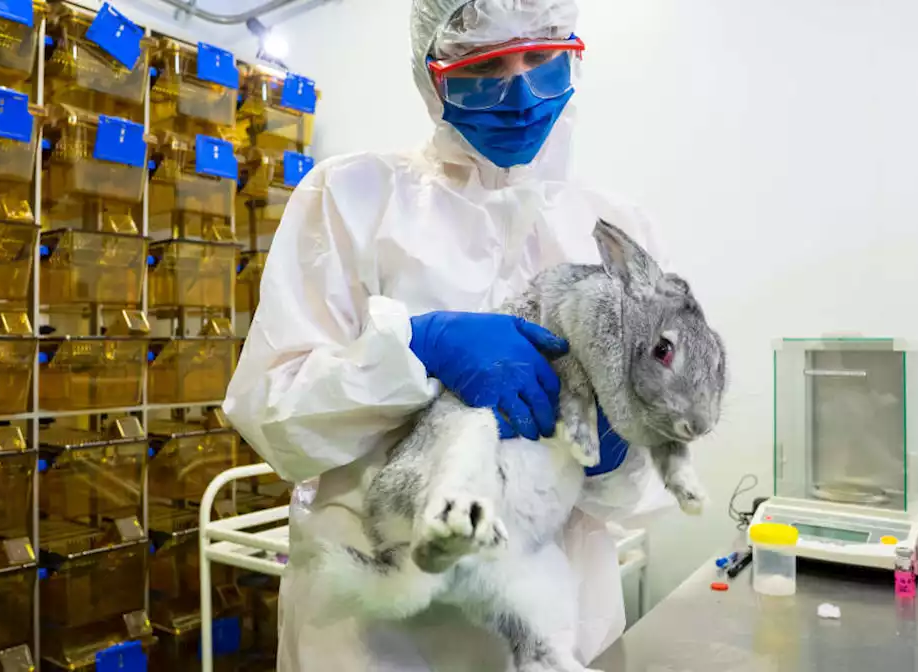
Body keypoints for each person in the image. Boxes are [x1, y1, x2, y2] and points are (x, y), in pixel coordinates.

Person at [224, 0, 676, 668]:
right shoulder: (350, 197)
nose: (520, 93)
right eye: (485, 68)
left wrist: (622, 451)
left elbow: (645, 475)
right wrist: (415, 346)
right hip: (376, 636)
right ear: (432, 75)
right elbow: (271, 411)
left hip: (559, 619)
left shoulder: (613, 226)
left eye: (544, 59)